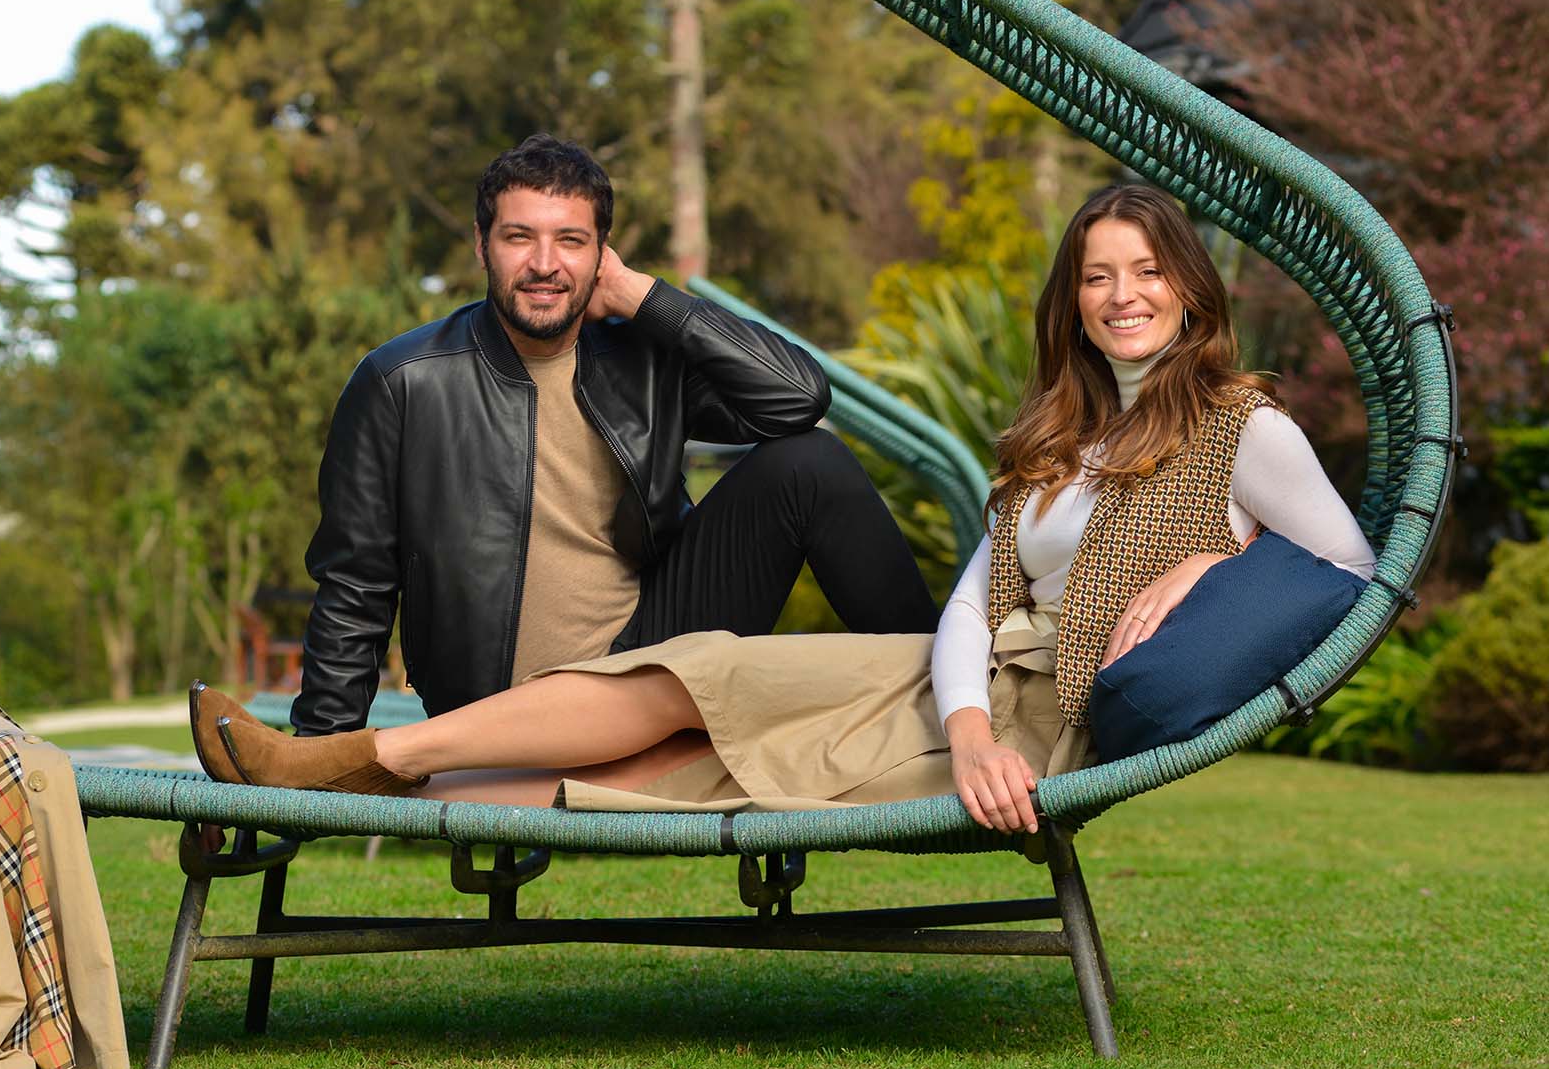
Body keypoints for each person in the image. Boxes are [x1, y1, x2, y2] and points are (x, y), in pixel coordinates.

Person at [198, 183, 1375, 833]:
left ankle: (339, 769)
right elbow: (974, 601)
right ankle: (340, 763)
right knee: (704, 676)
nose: (1122, 296)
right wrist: (959, 716)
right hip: (962, 688)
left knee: (699, 741)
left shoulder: (1238, 426)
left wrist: (1208, 569)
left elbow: (1351, 573)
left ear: (1189, 287)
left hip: (1045, 721)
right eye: (1097, 275)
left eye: (1146, 271)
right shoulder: (1057, 438)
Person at [287, 133, 939, 738]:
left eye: (571, 240)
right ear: (482, 245)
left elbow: (799, 397)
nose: (545, 264)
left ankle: (955, 710)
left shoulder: (640, 361)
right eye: (520, 237)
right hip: (495, 707)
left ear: (602, 253)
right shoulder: (402, 382)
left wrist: (641, 295)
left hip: (648, 666)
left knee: (811, 463)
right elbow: (356, 584)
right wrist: (319, 752)